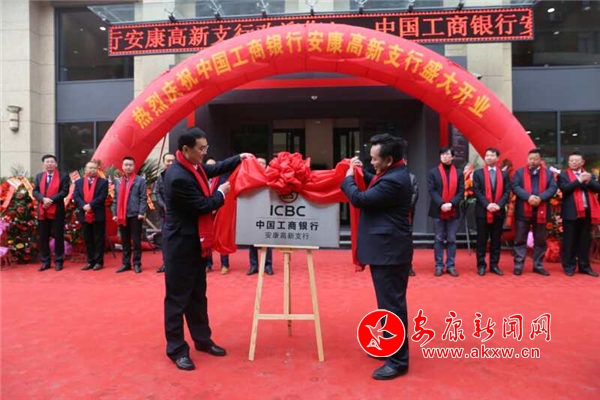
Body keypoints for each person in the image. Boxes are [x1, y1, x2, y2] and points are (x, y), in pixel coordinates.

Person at [163, 127, 252, 371]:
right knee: (177, 299)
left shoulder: (193, 167)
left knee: (197, 296)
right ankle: (176, 349)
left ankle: (202, 340)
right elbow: (203, 205)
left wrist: (239, 158)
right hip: (180, 245)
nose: (204, 153)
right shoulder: (178, 176)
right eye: (201, 149)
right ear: (185, 149)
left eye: (206, 147)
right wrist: (222, 193)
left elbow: (213, 168)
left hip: (196, 244)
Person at [341, 133, 412, 381]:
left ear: (389, 159)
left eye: (374, 159)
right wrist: (361, 172)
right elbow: (374, 181)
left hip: (390, 253)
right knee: (387, 305)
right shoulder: (393, 173)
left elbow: (360, 198)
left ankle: (398, 361)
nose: (371, 162)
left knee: (392, 306)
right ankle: (390, 347)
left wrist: (348, 178)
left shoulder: (394, 181)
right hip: (387, 251)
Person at [511, 149, 557, 276]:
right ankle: (518, 265)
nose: (532, 161)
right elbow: (515, 187)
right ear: (527, 159)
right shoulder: (519, 173)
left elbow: (553, 188)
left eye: (535, 159)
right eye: (530, 159)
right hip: (523, 210)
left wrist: (540, 198)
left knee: (540, 240)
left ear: (540, 160)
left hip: (542, 209)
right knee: (520, 239)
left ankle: (538, 265)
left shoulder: (548, 174)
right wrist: (528, 197)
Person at [558, 151, 600, 277]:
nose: (574, 162)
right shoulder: (563, 175)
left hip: (586, 212)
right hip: (570, 213)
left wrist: (588, 181)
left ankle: (584, 266)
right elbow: (564, 189)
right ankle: (569, 266)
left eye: (576, 160)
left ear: (582, 162)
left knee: (584, 241)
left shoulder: (589, 175)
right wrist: (579, 180)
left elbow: (597, 188)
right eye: (571, 160)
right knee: (569, 241)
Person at [427, 147, 465, 277]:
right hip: (438, 210)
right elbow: (432, 190)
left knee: (451, 239)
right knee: (438, 239)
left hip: (453, 210)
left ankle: (450, 265)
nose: (444, 156)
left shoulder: (459, 173)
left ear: (452, 157)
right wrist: (442, 204)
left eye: (447, 154)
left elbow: (461, 191)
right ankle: (439, 265)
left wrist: (451, 204)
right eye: (442, 154)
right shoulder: (433, 172)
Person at [473, 148, 510, 276]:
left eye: (492, 155)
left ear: (497, 158)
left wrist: (498, 205)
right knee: (481, 239)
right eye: (487, 155)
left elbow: (507, 192)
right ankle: (481, 265)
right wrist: (488, 204)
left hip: (498, 212)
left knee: (496, 240)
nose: (489, 157)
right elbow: (477, 191)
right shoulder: (478, 173)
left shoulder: (504, 174)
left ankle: (494, 265)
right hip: (482, 212)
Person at [33, 154, 70, 271]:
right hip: (42, 210)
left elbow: (64, 191)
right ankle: (45, 261)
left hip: (57, 210)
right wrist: (43, 199)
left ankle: (59, 261)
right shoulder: (39, 176)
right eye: (47, 162)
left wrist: (50, 200)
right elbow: (35, 191)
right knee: (43, 237)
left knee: (58, 236)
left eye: (52, 162)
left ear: (56, 164)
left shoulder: (63, 176)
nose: (50, 164)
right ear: (44, 164)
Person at [111, 156, 147, 274]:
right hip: (122, 215)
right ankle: (126, 263)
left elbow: (143, 198)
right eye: (126, 165)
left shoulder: (140, 180)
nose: (128, 167)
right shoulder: (118, 181)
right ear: (122, 166)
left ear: (134, 166)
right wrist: (115, 213)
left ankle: (137, 263)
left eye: (130, 165)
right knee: (125, 240)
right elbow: (115, 199)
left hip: (135, 214)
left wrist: (141, 212)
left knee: (136, 240)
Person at [74, 161, 108, 271]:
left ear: (97, 170)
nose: (92, 170)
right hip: (84, 214)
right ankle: (90, 261)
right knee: (88, 239)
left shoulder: (103, 182)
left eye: (94, 168)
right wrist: (83, 206)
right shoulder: (79, 182)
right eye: (90, 168)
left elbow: (102, 196)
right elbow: (76, 196)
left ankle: (99, 262)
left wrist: (91, 205)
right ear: (85, 169)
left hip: (97, 214)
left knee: (98, 239)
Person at [247, 157, 274, 276]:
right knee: (252, 240)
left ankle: (268, 265)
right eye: (259, 163)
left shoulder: (271, 176)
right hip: (253, 211)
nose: (261, 165)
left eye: (263, 163)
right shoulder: (250, 176)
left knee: (267, 239)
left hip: (267, 211)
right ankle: (254, 266)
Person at [204, 157, 231, 275]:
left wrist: (216, 207)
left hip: (220, 212)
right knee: (207, 238)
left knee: (221, 237)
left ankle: (225, 264)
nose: (211, 168)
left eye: (213, 165)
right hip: (206, 212)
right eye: (209, 165)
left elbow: (226, 196)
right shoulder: (201, 179)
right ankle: (207, 264)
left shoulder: (223, 180)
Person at [154, 153, 175, 273]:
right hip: (165, 214)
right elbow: (157, 193)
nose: (170, 163)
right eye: (168, 161)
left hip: (178, 214)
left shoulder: (181, 175)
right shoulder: (160, 177)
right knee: (166, 239)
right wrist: (164, 205)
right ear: (164, 162)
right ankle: (166, 263)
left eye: (172, 161)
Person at [405, 157, 418, 277]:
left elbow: (415, 194)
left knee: (407, 241)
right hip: (392, 214)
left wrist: (406, 208)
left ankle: (408, 266)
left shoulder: (411, 177)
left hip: (407, 213)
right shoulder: (388, 176)